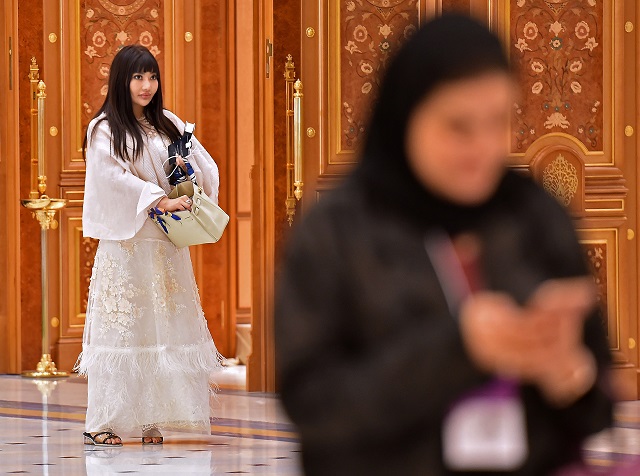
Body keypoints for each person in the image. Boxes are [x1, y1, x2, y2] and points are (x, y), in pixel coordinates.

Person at [275, 14, 613, 475]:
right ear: (406, 115)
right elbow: (314, 405)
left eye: (498, 122)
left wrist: (572, 378)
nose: (483, 147)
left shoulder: (534, 217)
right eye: (458, 126)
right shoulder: (338, 230)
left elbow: (596, 412)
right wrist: (460, 349)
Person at [76, 45, 222, 447]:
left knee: (162, 329)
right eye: (138, 77)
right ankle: (102, 421)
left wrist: (187, 174)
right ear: (122, 80)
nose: (146, 86)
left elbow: (205, 167)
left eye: (152, 77)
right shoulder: (105, 128)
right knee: (124, 331)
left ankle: (151, 418)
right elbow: (111, 178)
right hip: (128, 244)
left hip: (166, 243)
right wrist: (158, 198)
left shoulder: (169, 124)